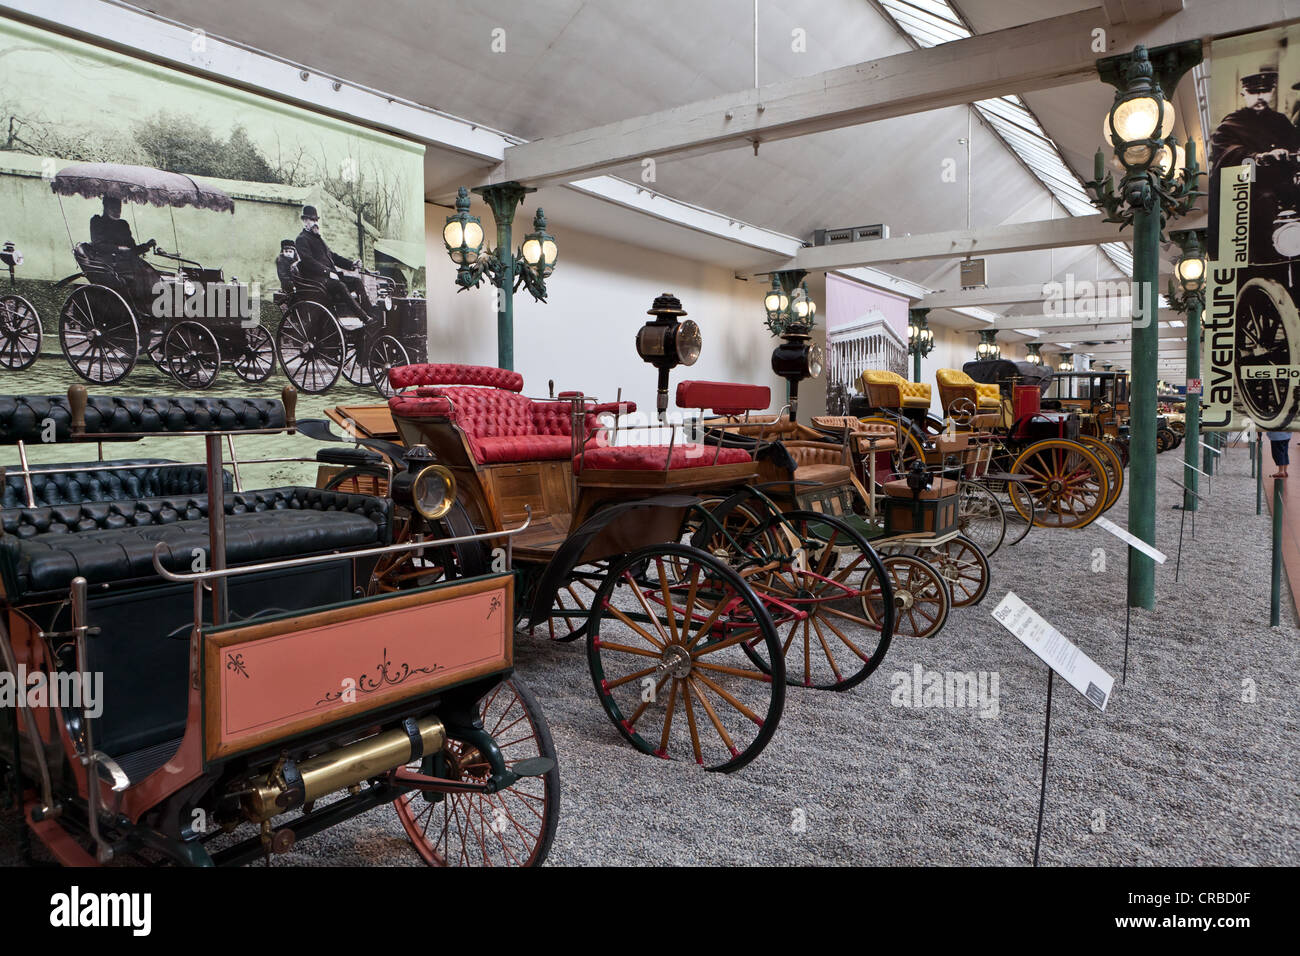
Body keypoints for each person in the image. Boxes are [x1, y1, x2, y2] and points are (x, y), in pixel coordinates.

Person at [1209, 66, 1300, 264]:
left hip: (1287, 189)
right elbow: (1226, 156)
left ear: (1272, 92)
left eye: (1265, 91)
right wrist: (1259, 157)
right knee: (1265, 201)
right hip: (1251, 193)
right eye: (1253, 92)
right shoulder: (1230, 126)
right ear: (1243, 94)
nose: (1260, 96)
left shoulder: (1281, 122)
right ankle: (1270, 260)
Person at [293, 205, 363, 317]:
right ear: (304, 221)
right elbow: (308, 262)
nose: (315, 223)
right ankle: (363, 317)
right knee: (340, 286)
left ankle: (371, 314)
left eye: (316, 220)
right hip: (317, 282)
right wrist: (328, 272)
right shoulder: (302, 239)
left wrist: (351, 264)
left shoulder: (319, 239)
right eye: (312, 220)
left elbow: (333, 257)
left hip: (329, 279)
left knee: (357, 282)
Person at [88, 196, 161, 300]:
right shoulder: (97, 222)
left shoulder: (123, 224)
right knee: (142, 276)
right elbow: (98, 245)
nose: (118, 211)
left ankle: (146, 305)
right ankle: (140, 303)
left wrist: (146, 245)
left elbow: (132, 249)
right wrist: (118, 249)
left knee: (152, 274)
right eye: (114, 208)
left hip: (128, 262)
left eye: (119, 208)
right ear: (105, 206)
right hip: (108, 264)